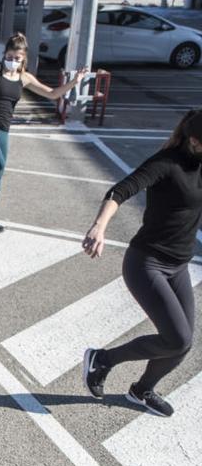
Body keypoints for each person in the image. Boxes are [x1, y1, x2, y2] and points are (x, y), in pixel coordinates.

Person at [81, 109, 202, 418]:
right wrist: (99, 226)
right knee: (177, 337)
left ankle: (141, 391)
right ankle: (103, 359)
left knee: (182, 344)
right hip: (146, 262)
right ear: (194, 141)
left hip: (178, 266)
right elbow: (120, 190)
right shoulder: (167, 163)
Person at [0, 32, 87, 233]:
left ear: (23, 58)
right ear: (4, 54)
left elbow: (53, 94)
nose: (12, 61)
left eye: (16, 58)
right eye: (9, 57)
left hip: (3, 130)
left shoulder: (25, 78)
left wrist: (75, 81)